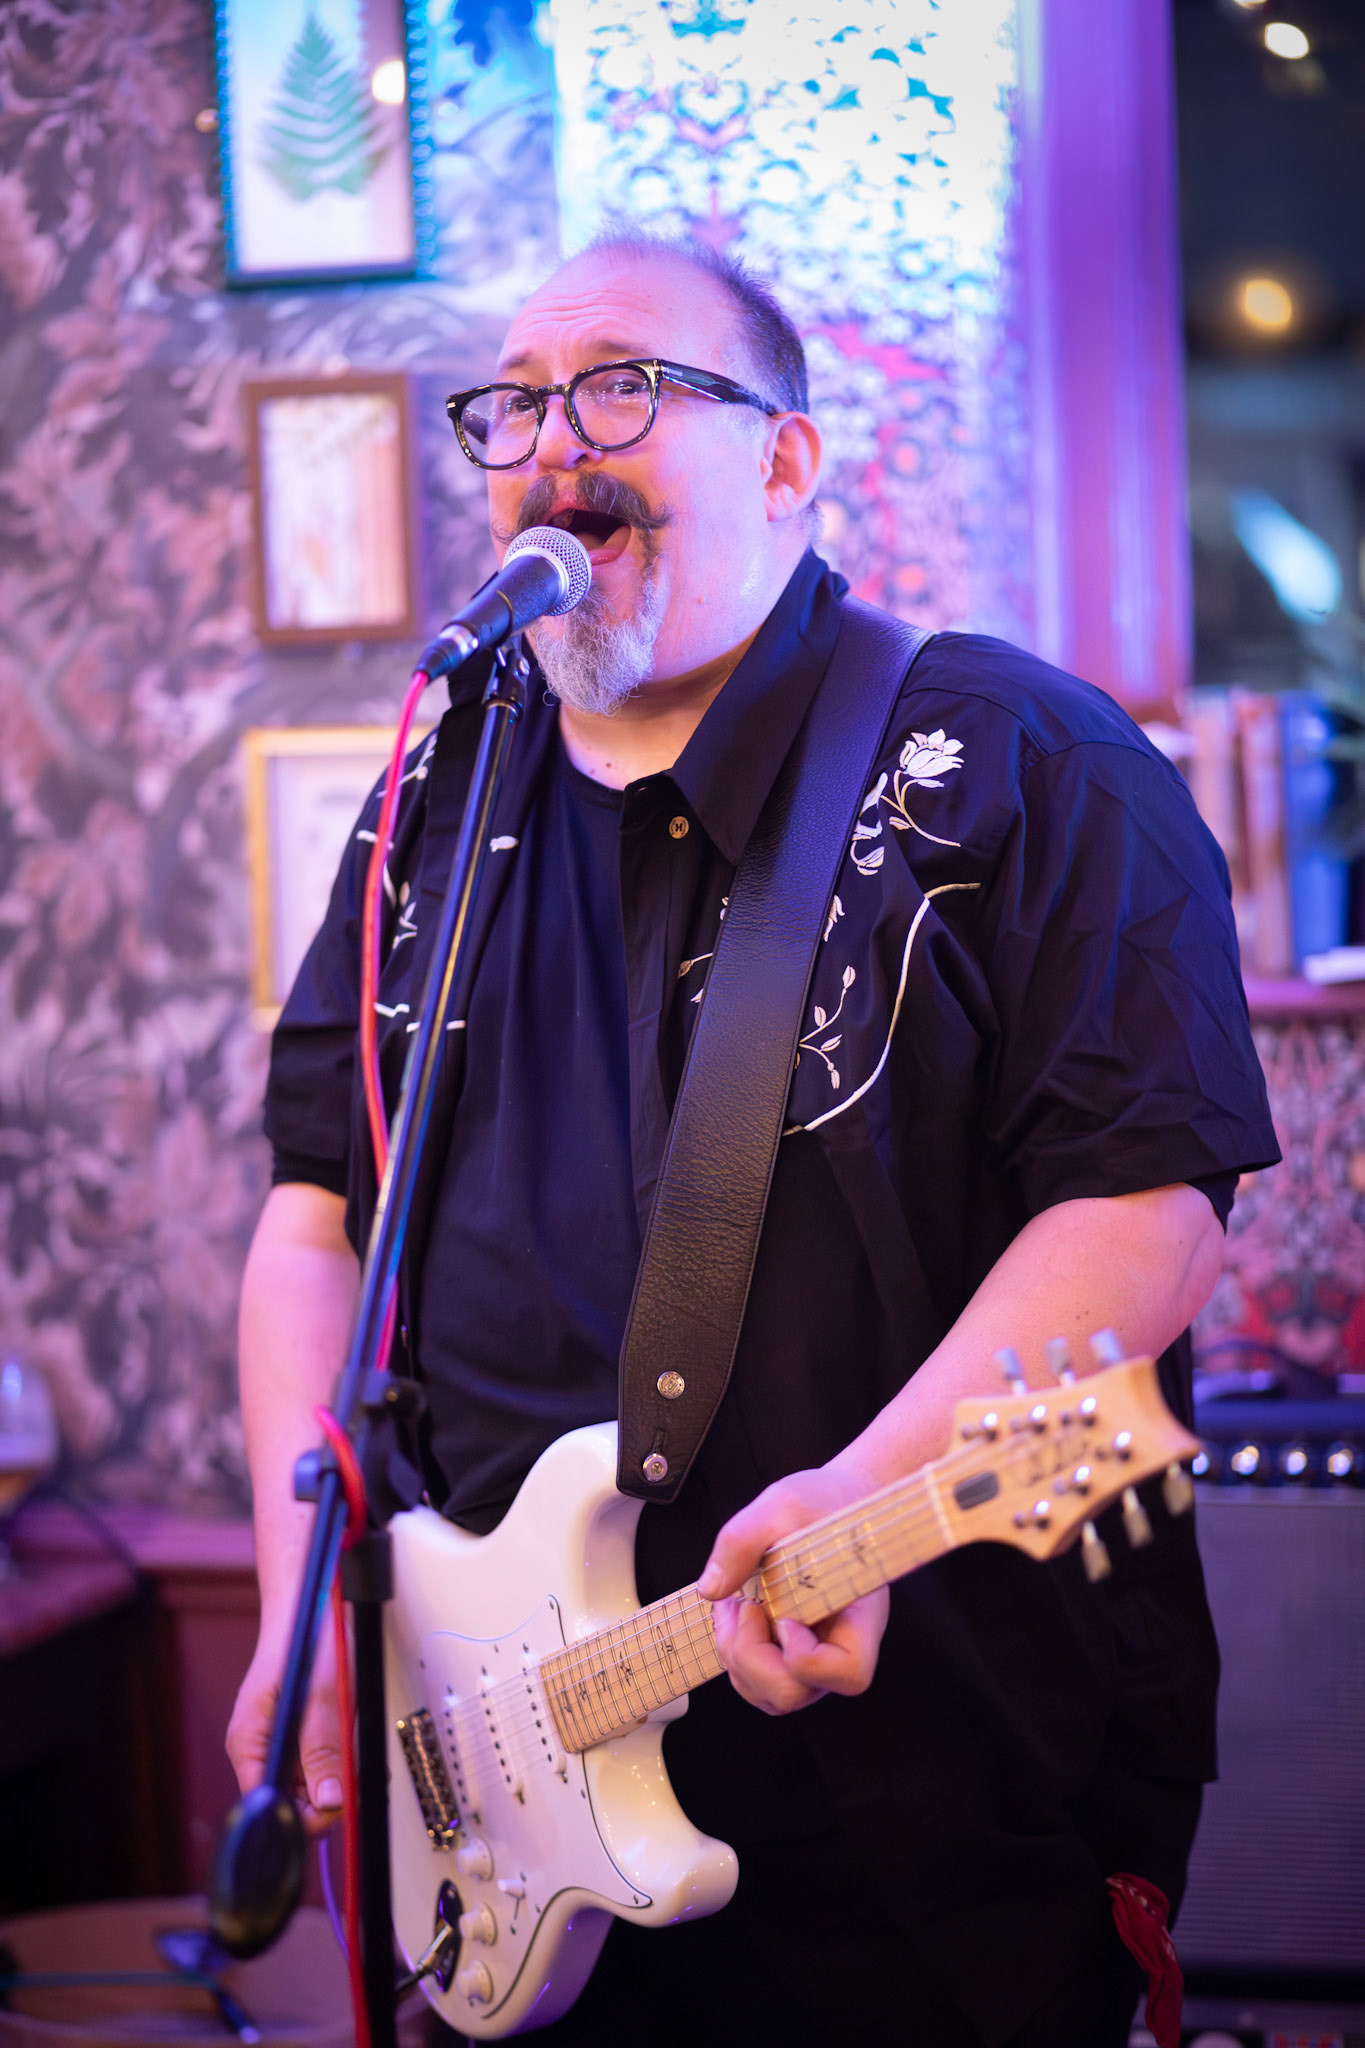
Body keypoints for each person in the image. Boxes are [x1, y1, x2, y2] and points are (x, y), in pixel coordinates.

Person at [227, 230, 1279, 2046]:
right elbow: (313, 1219)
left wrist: (865, 1491)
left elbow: (1145, 1211)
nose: (554, 443)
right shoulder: (428, 803)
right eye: (514, 408)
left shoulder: (1025, 760)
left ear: (786, 457)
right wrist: (292, 1608)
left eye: (622, 386)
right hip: (491, 1785)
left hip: (918, 1813)